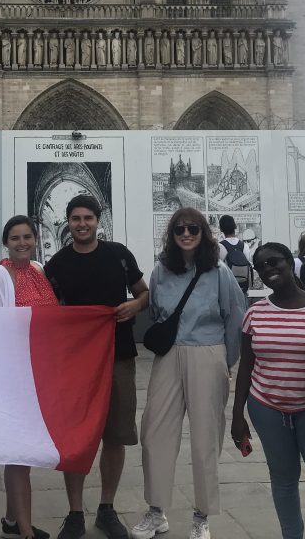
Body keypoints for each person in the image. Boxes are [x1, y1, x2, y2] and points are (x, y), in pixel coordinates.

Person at [132, 209, 246, 539]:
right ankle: (156, 510)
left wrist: (226, 361)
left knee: (205, 437)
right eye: (180, 229)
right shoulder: (161, 271)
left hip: (207, 352)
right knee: (154, 431)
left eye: (192, 228)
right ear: (172, 234)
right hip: (169, 355)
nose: (186, 233)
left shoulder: (218, 271)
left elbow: (234, 315)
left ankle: (202, 515)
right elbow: (156, 311)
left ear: (203, 232)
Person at [230, 243, 305, 539]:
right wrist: (237, 416)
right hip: (267, 409)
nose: (269, 269)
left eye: (275, 262)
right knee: (283, 481)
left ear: (290, 263)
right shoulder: (255, 313)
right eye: (262, 266)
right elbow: (246, 367)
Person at [44, 194, 148, 539]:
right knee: (75, 438)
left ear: (98, 221)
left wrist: (134, 307)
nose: (82, 224)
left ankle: (107, 507)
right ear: (68, 222)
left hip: (118, 356)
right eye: (76, 219)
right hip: (75, 363)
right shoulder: (56, 265)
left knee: (115, 435)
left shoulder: (118, 255)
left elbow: (144, 293)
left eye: (88, 218)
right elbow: (47, 312)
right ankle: (75, 512)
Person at [0, 216, 59, 539]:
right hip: (13, 375)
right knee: (19, 452)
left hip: (39, 371)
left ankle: (12, 521)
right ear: (6, 242)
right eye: (15, 238)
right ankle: (26, 532)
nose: (22, 243)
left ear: (36, 239)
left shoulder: (40, 270)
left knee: (24, 449)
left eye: (27, 236)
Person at [217, 215, 252, 292]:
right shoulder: (244, 246)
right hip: (242, 287)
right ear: (235, 227)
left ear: (221, 229)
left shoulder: (219, 246)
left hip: (226, 288)